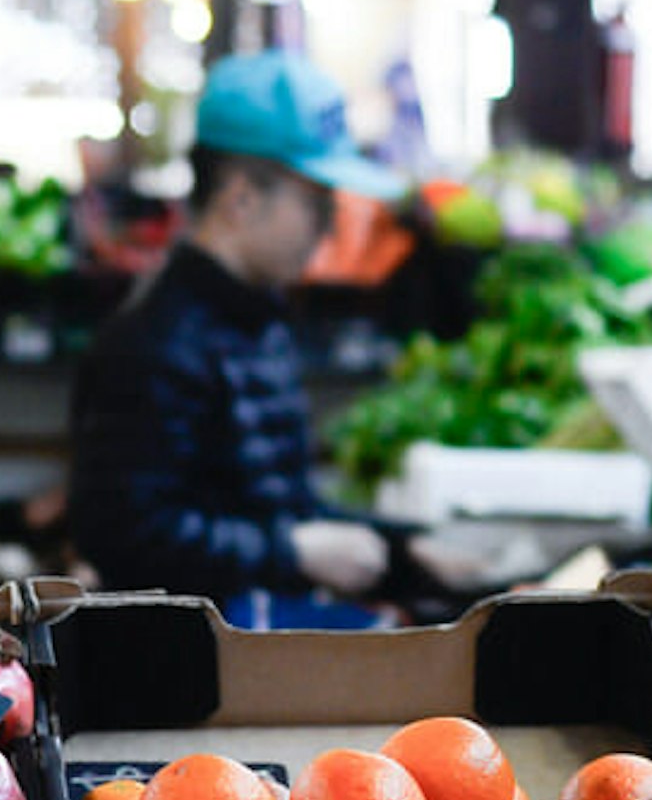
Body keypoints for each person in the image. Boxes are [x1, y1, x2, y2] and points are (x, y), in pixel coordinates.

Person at [69, 50, 403, 611]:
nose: (327, 230)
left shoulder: (257, 317)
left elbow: (275, 501)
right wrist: (294, 551)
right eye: (318, 205)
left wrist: (406, 550)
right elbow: (122, 535)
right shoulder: (155, 341)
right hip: (195, 677)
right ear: (242, 197)